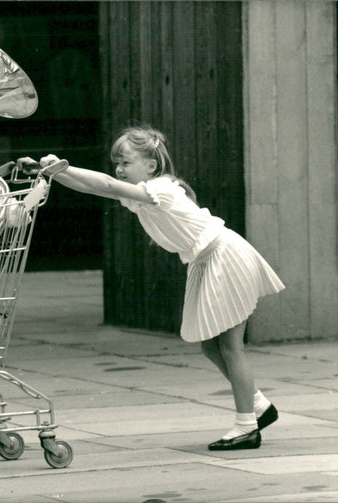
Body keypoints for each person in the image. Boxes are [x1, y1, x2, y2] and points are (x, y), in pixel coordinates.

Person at [17, 124, 285, 451]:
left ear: (151, 166)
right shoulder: (144, 194)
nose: (118, 168)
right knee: (211, 346)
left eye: (125, 162)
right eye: (116, 162)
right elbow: (99, 188)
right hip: (209, 261)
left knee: (230, 346)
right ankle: (258, 407)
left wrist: (63, 166)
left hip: (224, 257)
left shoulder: (163, 190)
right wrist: (54, 172)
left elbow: (106, 183)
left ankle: (247, 427)